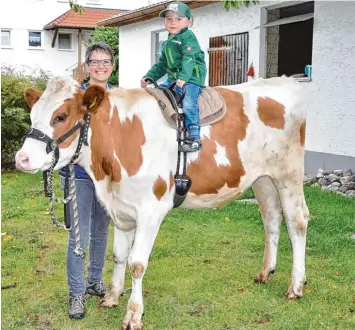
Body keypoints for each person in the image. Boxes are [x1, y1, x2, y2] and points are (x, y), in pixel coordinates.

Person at [59, 42, 114, 320]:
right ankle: (77, 292)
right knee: (78, 237)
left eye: (106, 61)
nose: (100, 66)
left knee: (101, 232)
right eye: (95, 61)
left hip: (107, 178)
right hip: (78, 176)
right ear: (87, 65)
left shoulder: (119, 97)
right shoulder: (75, 97)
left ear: (112, 66)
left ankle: (94, 281)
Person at [141, 1, 207, 152]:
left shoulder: (188, 37)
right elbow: (162, 65)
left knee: (189, 102)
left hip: (191, 77)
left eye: (178, 19)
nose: (173, 22)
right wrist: (149, 76)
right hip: (173, 79)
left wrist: (184, 78)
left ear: (188, 22)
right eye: (169, 19)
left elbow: (189, 58)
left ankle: (195, 137)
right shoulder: (167, 43)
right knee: (156, 95)